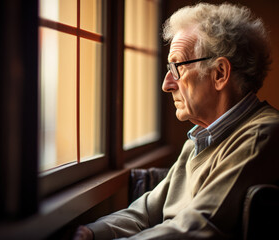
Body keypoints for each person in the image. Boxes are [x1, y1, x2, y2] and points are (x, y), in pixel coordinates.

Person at [73, 2, 279, 239]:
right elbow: (146, 212)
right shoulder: (199, 139)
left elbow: (197, 227)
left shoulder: (261, 135)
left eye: (176, 67)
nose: (166, 84)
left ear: (220, 73)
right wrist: (90, 233)